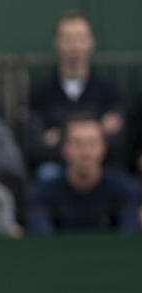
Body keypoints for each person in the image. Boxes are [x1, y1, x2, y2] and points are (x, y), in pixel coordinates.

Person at [27, 10, 124, 180]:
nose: (75, 45)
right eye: (68, 39)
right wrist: (98, 131)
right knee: (47, 174)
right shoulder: (40, 92)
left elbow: (118, 141)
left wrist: (60, 136)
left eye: (80, 38)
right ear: (57, 43)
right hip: (56, 169)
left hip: (103, 169)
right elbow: (35, 146)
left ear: (91, 42)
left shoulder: (109, 89)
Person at [26, 113, 139, 234]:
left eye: (92, 142)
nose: (85, 150)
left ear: (104, 147)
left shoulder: (124, 189)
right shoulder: (42, 193)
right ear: (63, 148)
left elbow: (129, 237)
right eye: (76, 143)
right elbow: (41, 240)